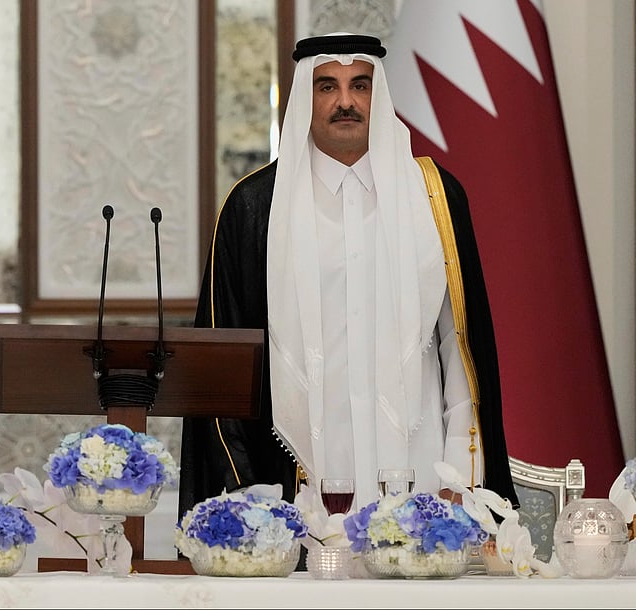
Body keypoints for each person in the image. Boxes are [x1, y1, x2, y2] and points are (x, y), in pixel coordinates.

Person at [178, 34, 518, 518]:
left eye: (360, 85)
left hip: (421, 479)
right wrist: (246, 495)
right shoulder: (254, 207)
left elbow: (459, 351)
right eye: (326, 87)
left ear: (379, 97)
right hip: (295, 485)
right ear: (304, 97)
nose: (345, 102)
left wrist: (461, 484)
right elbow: (221, 367)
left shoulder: (434, 198)